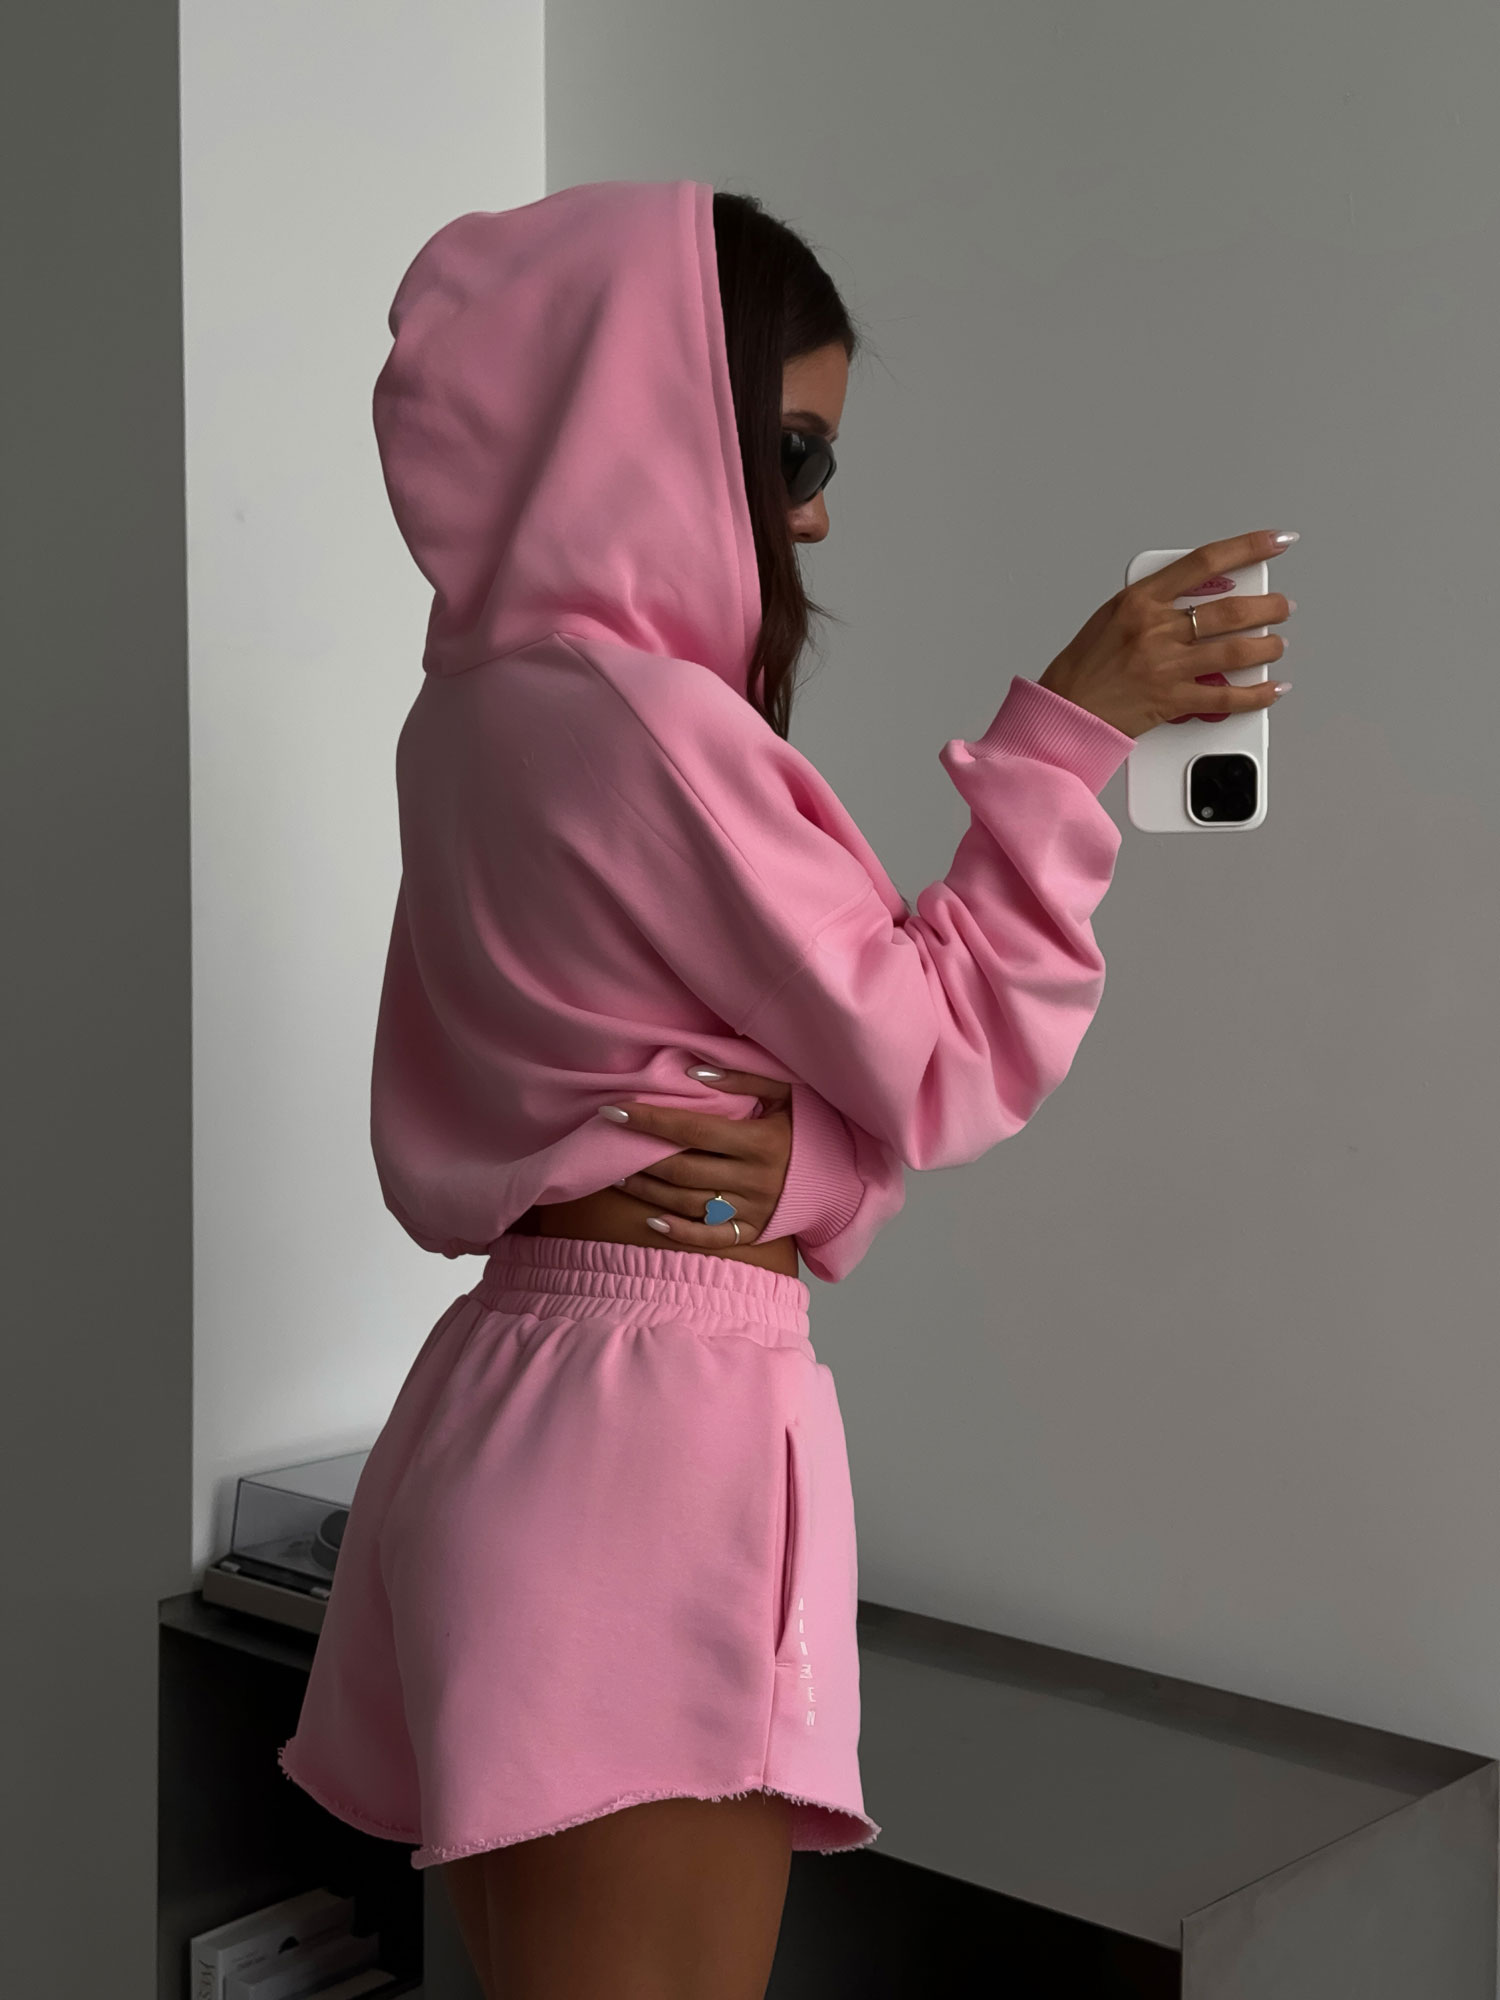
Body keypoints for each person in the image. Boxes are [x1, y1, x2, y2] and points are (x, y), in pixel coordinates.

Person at [276, 179, 1293, 2000]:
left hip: (517, 1394)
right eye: (792, 451)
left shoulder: (476, 714)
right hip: (648, 1434)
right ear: (660, 423)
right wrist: (1070, 728)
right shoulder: (644, 722)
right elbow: (945, 1049)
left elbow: (608, 1113)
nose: (815, 510)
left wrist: (820, 1163)